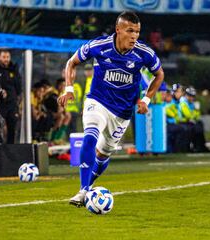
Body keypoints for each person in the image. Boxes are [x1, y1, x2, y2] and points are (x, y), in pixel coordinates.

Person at [58, 11, 164, 207]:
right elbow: (72, 62)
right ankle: (83, 190)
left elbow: (159, 75)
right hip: (97, 101)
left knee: (103, 154)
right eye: (130, 31)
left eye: (137, 32)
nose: (134, 36)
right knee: (90, 134)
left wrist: (146, 100)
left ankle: (87, 187)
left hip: (122, 113)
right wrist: (69, 88)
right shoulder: (99, 46)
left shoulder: (144, 53)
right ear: (118, 30)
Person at [0, 49, 22, 144]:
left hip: (12, 104)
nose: (6, 59)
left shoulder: (14, 69)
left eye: (7, 57)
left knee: (12, 127)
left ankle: (11, 149)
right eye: (4, 57)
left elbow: (19, 88)